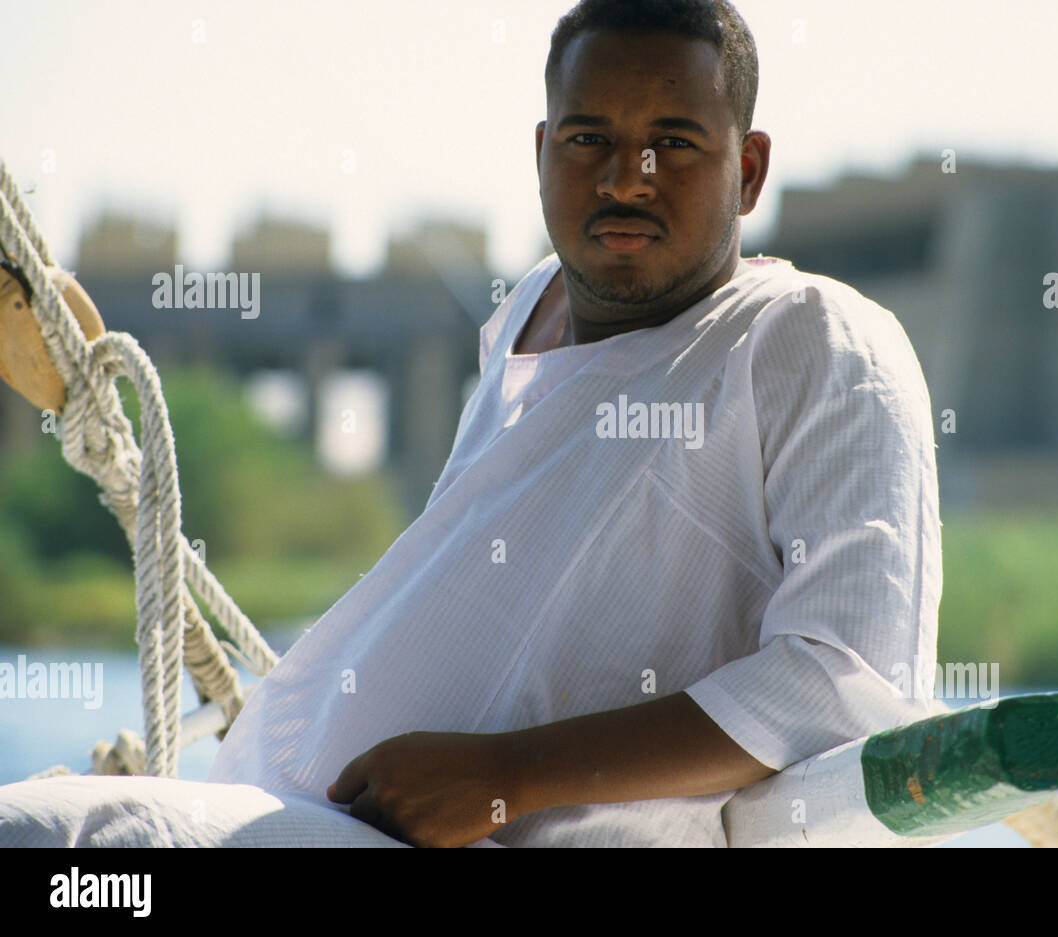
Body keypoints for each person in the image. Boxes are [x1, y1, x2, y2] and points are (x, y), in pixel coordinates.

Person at [3, 0, 942, 848]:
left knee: (62, 838)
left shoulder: (816, 340)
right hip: (314, 806)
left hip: (479, 840)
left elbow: (841, 678)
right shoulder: (524, 315)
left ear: (748, 170)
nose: (627, 176)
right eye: (587, 139)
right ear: (540, 156)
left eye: (674, 141)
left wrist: (505, 779)